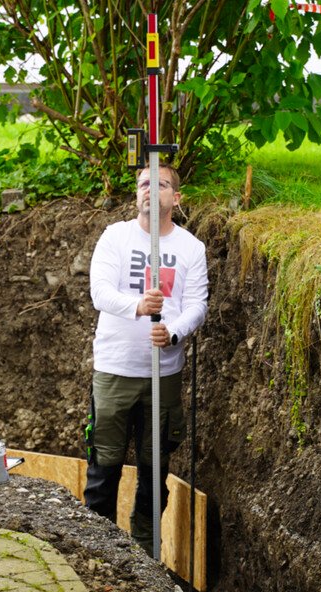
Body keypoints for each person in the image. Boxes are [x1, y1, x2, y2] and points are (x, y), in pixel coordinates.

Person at [84, 164, 208, 557]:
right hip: (115, 370)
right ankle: (101, 555)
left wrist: (172, 332)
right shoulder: (115, 238)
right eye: (143, 184)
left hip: (163, 375)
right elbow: (100, 292)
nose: (150, 190)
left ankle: (143, 556)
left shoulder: (191, 248)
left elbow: (197, 305)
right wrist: (137, 306)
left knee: (154, 473)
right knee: (104, 467)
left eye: (162, 184)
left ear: (177, 197)